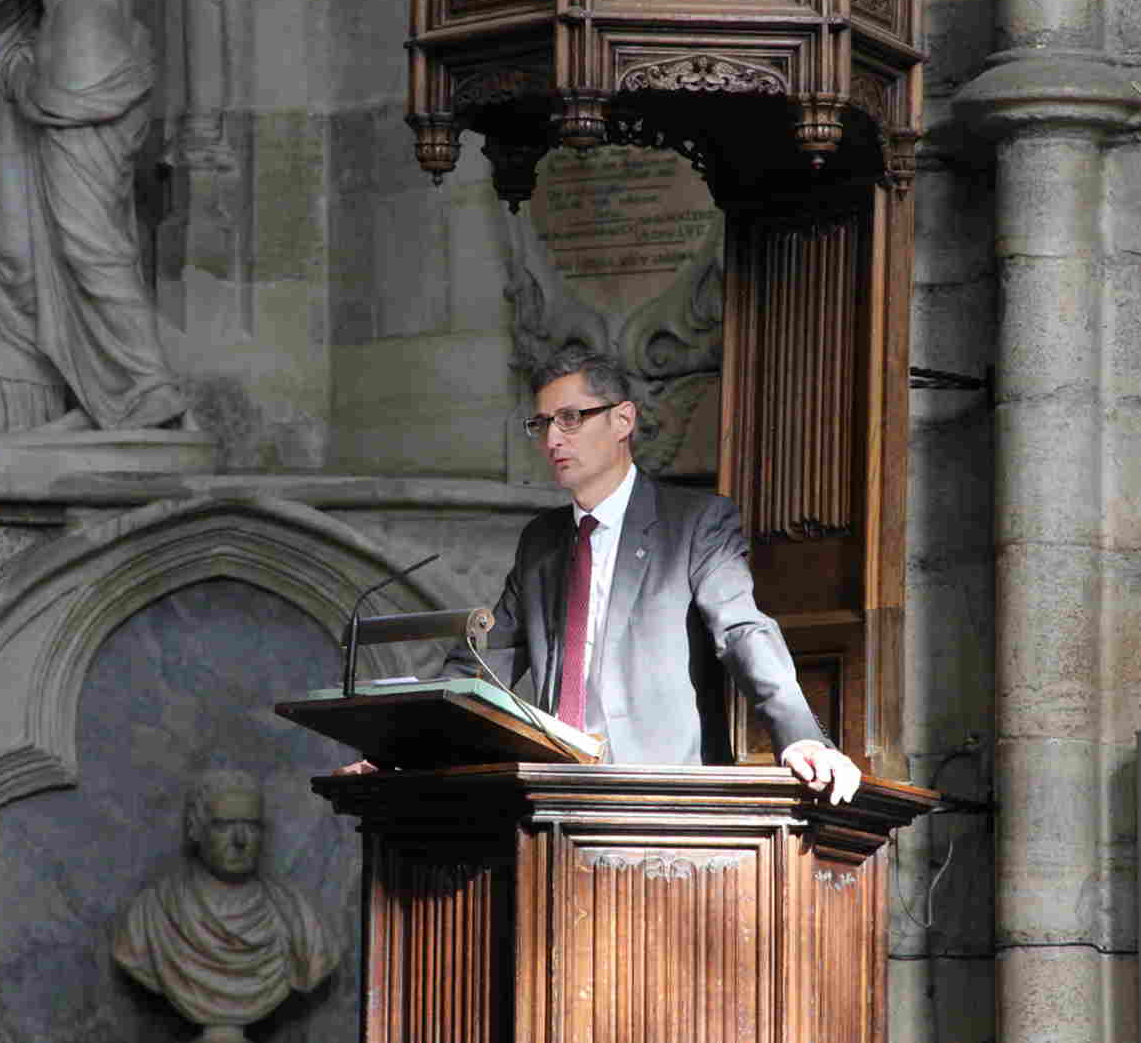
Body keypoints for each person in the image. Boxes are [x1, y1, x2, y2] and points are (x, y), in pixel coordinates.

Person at [340, 344, 861, 804]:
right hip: (553, 791)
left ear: (623, 420)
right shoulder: (541, 541)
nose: (552, 439)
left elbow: (744, 631)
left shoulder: (694, 522)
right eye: (542, 424)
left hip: (663, 794)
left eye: (570, 418)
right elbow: (482, 660)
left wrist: (800, 735)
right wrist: (402, 751)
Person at [0, 0, 187, 433]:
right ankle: (111, 398)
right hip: (73, 78)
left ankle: (147, 391)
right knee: (78, 248)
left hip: (85, 83)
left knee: (90, 246)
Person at [113, 769, 339, 1039]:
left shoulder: (297, 918)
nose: (241, 840)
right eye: (223, 825)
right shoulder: (151, 914)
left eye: (251, 825)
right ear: (195, 830)